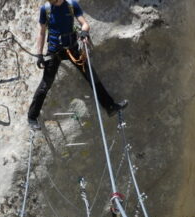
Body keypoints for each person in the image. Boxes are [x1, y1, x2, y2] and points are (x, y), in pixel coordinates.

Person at [27, 0, 128, 130]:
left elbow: (84, 24)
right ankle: (32, 117)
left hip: (72, 48)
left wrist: (84, 32)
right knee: (46, 84)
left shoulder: (71, 5)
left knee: (92, 76)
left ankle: (110, 107)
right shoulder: (45, 9)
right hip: (55, 51)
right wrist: (39, 54)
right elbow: (42, 32)